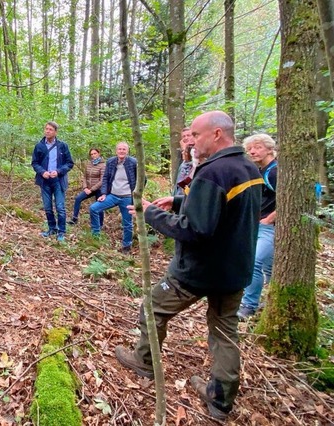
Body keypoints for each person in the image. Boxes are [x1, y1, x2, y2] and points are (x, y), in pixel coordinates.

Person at [115, 111, 263, 421]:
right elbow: (224, 212)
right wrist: (179, 201)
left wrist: (150, 214)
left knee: (152, 307)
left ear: (217, 134)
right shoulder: (246, 166)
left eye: (196, 135)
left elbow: (196, 230)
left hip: (198, 271)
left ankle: (143, 361)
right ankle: (221, 400)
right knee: (225, 332)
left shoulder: (213, 172)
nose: (192, 141)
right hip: (234, 271)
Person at [237, 134, 278, 319]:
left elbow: (289, 200)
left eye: (258, 147)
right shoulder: (261, 170)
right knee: (270, 267)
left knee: (254, 263)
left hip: (269, 227)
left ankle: (249, 305)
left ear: (269, 149)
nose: (253, 151)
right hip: (259, 225)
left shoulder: (275, 171)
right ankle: (271, 301)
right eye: (250, 148)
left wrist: (269, 219)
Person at [88, 142, 138, 253]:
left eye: (124, 149)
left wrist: (136, 194)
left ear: (127, 151)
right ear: (116, 151)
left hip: (127, 197)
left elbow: (142, 179)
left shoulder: (133, 162)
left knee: (127, 223)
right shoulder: (111, 162)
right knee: (94, 208)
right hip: (113, 195)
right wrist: (104, 194)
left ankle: (126, 246)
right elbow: (105, 178)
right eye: (119, 149)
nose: (121, 151)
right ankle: (95, 236)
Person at [31, 121, 74, 242]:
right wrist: (42, 172)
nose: (47, 131)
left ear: (55, 132)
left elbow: (69, 163)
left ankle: (61, 231)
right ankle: (52, 228)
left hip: (58, 181)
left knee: (60, 207)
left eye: (50, 129)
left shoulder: (62, 146)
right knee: (47, 207)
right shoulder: (39, 146)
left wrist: (59, 171)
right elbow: (34, 163)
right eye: (46, 129)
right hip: (45, 181)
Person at [68, 148, 106, 226]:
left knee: (99, 206)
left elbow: (102, 181)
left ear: (99, 154)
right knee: (78, 198)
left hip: (99, 189)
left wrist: (91, 190)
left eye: (95, 153)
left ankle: (100, 224)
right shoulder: (89, 164)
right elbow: (85, 177)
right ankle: (74, 219)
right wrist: (85, 187)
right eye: (91, 154)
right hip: (88, 188)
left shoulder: (103, 165)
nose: (93, 156)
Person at [172, 127, 195, 196]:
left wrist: (185, 151)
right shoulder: (182, 151)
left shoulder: (197, 151)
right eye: (183, 136)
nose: (186, 138)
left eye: (188, 135)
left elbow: (190, 167)